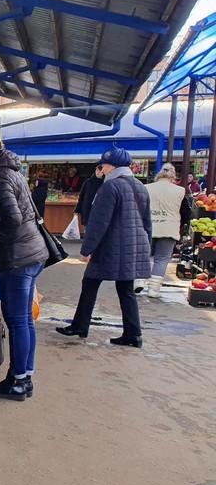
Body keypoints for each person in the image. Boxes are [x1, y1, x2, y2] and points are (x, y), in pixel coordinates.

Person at [57, 147, 151, 347]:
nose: (102, 168)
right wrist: (146, 247)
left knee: (90, 282)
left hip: (111, 246)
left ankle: (80, 326)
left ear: (112, 166)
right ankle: (134, 334)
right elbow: (147, 221)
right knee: (126, 289)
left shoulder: (110, 187)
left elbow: (99, 222)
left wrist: (87, 249)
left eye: (103, 165)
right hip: (134, 246)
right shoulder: (140, 186)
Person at [0, 144, 50, 401]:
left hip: (18, 257)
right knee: (25, 320)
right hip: (32, 253)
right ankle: (24, 377)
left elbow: (13, 217)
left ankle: (18, 380)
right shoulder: (12, 171)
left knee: (18, 320)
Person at [143, 163, 190, 298]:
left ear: (158, 175)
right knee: (162, 259)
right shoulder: (179, 191)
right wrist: (180, 225)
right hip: (169, 229)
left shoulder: (147, 188)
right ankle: (154, 289)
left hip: (148, 227)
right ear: (173, 176)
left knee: (144, 256)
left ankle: (138, 282)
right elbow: (186, 213)